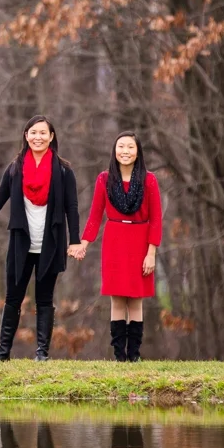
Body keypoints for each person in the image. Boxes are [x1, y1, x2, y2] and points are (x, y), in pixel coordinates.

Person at [0, 115, 82, 361]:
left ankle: (42, 353)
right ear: (26, 135)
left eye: (43, 133)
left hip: (50, 244)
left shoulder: (64, 171)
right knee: (13, 297)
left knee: (45, 299)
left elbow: (72, 208)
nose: (38, 137)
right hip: (21, 244)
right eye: (33, 132)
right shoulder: (15, 169)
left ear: (52, 137)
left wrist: (74, 240)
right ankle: (3, 352)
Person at [80, 132, 162, 362]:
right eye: (121, 147)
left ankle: (134, 356)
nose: (125, 151)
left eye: (130, 147)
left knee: (135, 299)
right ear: (114, 150)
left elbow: (156, 219)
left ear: (138, 152)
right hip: (114, 240)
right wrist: (83, 243)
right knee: (117, 299)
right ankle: (119, 356)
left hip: (140, 240)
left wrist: (151, 253)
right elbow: (95, 216)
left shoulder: (149, 180)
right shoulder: (104, 179)